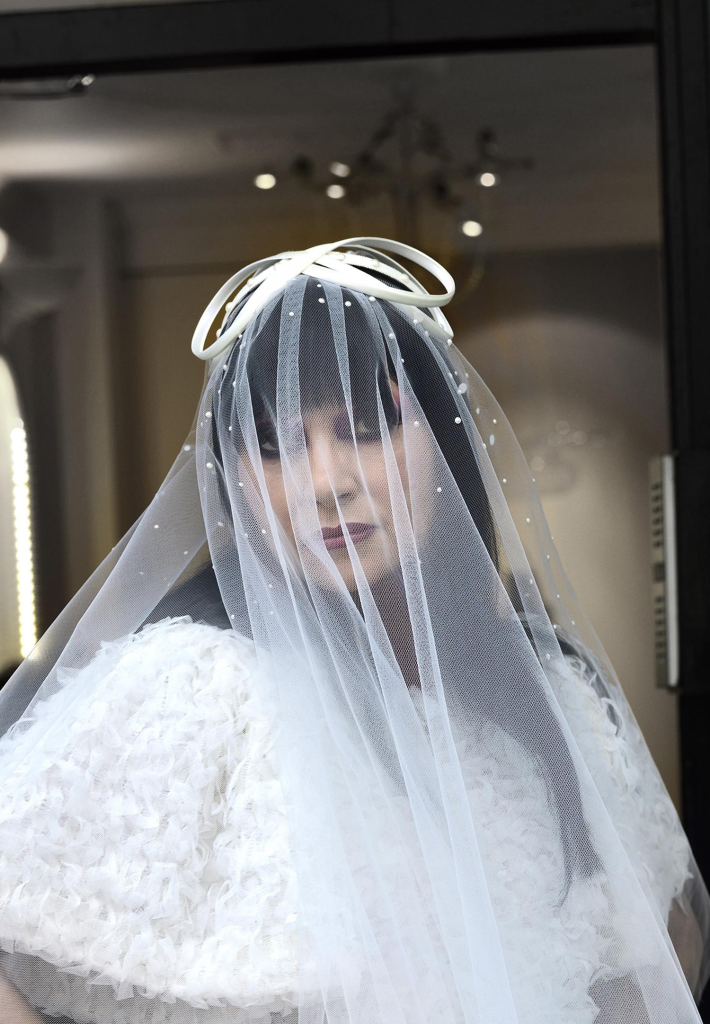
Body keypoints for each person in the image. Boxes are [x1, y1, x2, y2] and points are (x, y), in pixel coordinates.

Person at [0, 237, 707, 1024]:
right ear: (234, 475)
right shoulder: (191, 692)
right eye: (275, 444)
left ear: (442, 442)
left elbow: (654, 955)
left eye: (365, 427)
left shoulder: (551, 693)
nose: (325, 483)